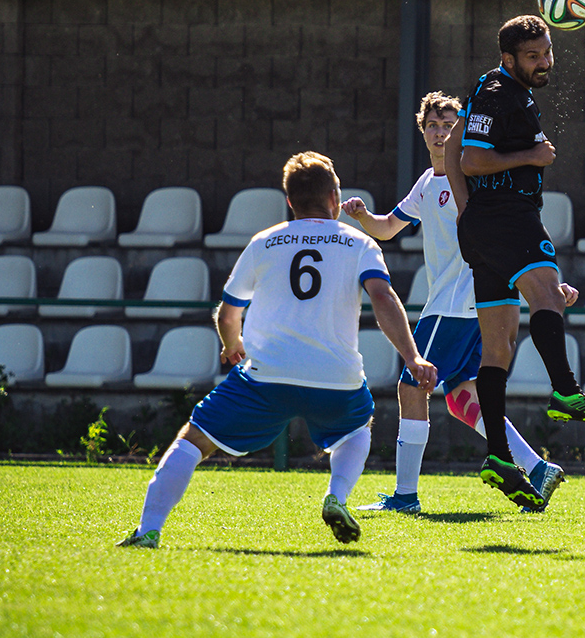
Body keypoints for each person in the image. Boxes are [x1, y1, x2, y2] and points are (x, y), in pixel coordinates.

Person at [118, 151, 437, 548]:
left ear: (289, 200)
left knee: (192, 441)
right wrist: (412, 357)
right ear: (335, 197)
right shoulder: (359, 242)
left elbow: (229, 312)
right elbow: (384, 298)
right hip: (336, 379)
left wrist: (232, 345)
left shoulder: (264, 241)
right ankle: (336, 496)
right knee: (357, 428)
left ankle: (149, 529)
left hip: (264, 376)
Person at [341, 91, 566, 514]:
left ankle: (405, 496)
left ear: (463, 130)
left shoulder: (474, 178)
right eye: (434, 126)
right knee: (463, 398)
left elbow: (518, 227)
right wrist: (363, 218)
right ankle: (536, 468)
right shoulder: (428, 183)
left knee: (412, 384)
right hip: (458, 306)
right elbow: (389, 228)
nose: (442, 133)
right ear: (422, 131)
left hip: (457, 305)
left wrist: (553, 280)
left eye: (450, 126)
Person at [445, 14, 585, 509]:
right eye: (533, 56)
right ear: (509, 58)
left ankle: (501, 456)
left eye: (547, 52)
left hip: (487, 225)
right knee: (548, 297)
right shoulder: (502, 92)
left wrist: (465, 211)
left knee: (497, 348)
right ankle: (566, 391)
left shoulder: (490, 87)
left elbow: (457, 142)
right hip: (508, 218)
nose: (544, 62)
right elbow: (473, 160)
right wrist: (532, 157)